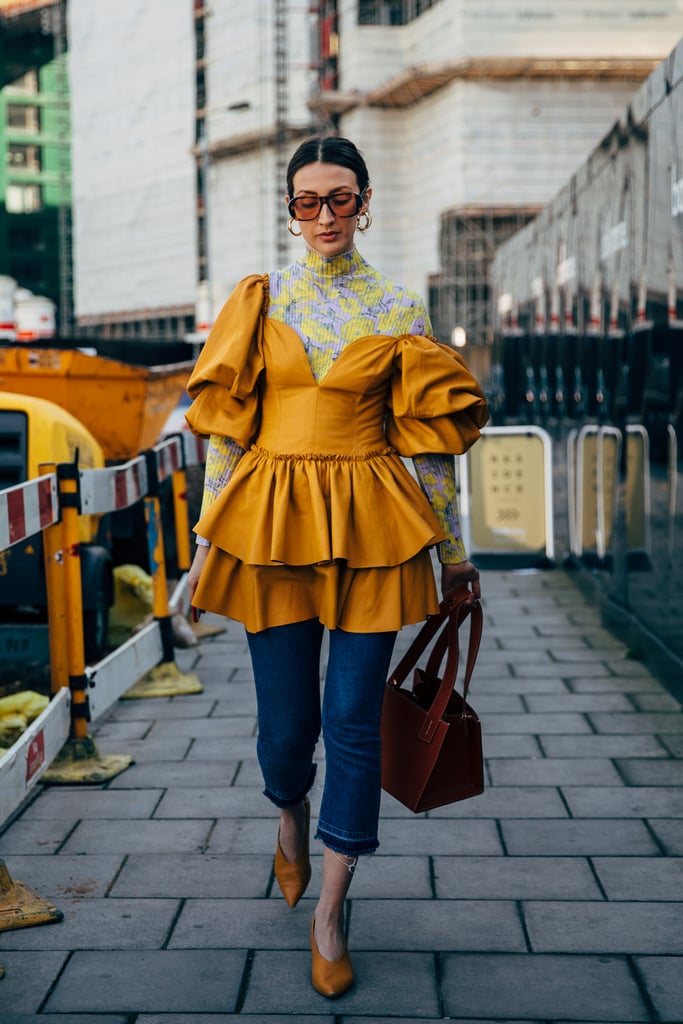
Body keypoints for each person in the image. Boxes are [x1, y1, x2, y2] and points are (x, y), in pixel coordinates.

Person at [186, 136, 488, 998]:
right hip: (270, 525)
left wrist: (454, 554)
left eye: (339, 199)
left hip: (371, 529)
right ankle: (289, 815)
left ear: (363, 202)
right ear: (290, 210)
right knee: (288, 730)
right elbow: (226, 434)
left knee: (353, 721)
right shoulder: (260, 298)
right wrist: (208, 542)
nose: (324, 215)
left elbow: (428, 451)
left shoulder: (399, 308)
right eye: (307, 201)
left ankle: (331, 906)